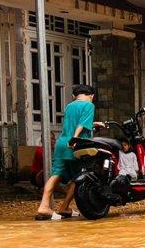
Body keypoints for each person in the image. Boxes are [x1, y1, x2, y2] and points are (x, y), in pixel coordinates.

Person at [35, 83, 101, 221]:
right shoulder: (89, 105)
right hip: (76, 145)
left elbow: (75, 122)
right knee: (80, 177)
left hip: (61, 143)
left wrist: (94, 124)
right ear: (92, 96)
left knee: (56, 174)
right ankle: (64, 206)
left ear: (74, 96)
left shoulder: (69, 106)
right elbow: (81, 125)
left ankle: (44, 206)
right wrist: (75, 139)